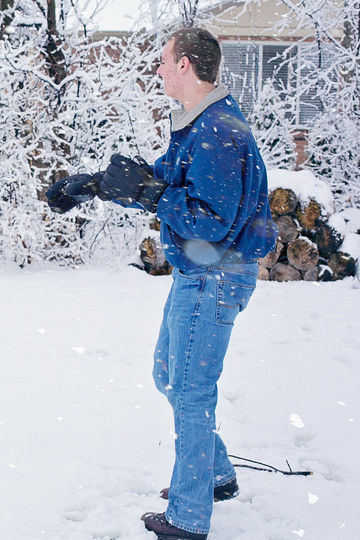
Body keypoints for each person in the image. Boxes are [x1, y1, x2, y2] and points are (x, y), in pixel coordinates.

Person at [46, 28, 277, 539]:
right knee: (169, 373)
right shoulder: (201, 125)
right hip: (201, 274)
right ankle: (214, 475)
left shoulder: (218, 131)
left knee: (190, 389)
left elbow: (209, 220)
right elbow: (165, 182)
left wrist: (153, 195)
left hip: (213, 275)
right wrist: (94, 185)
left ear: (187, 65)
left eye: (163, 61)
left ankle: (189, 518)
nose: (158, 70)